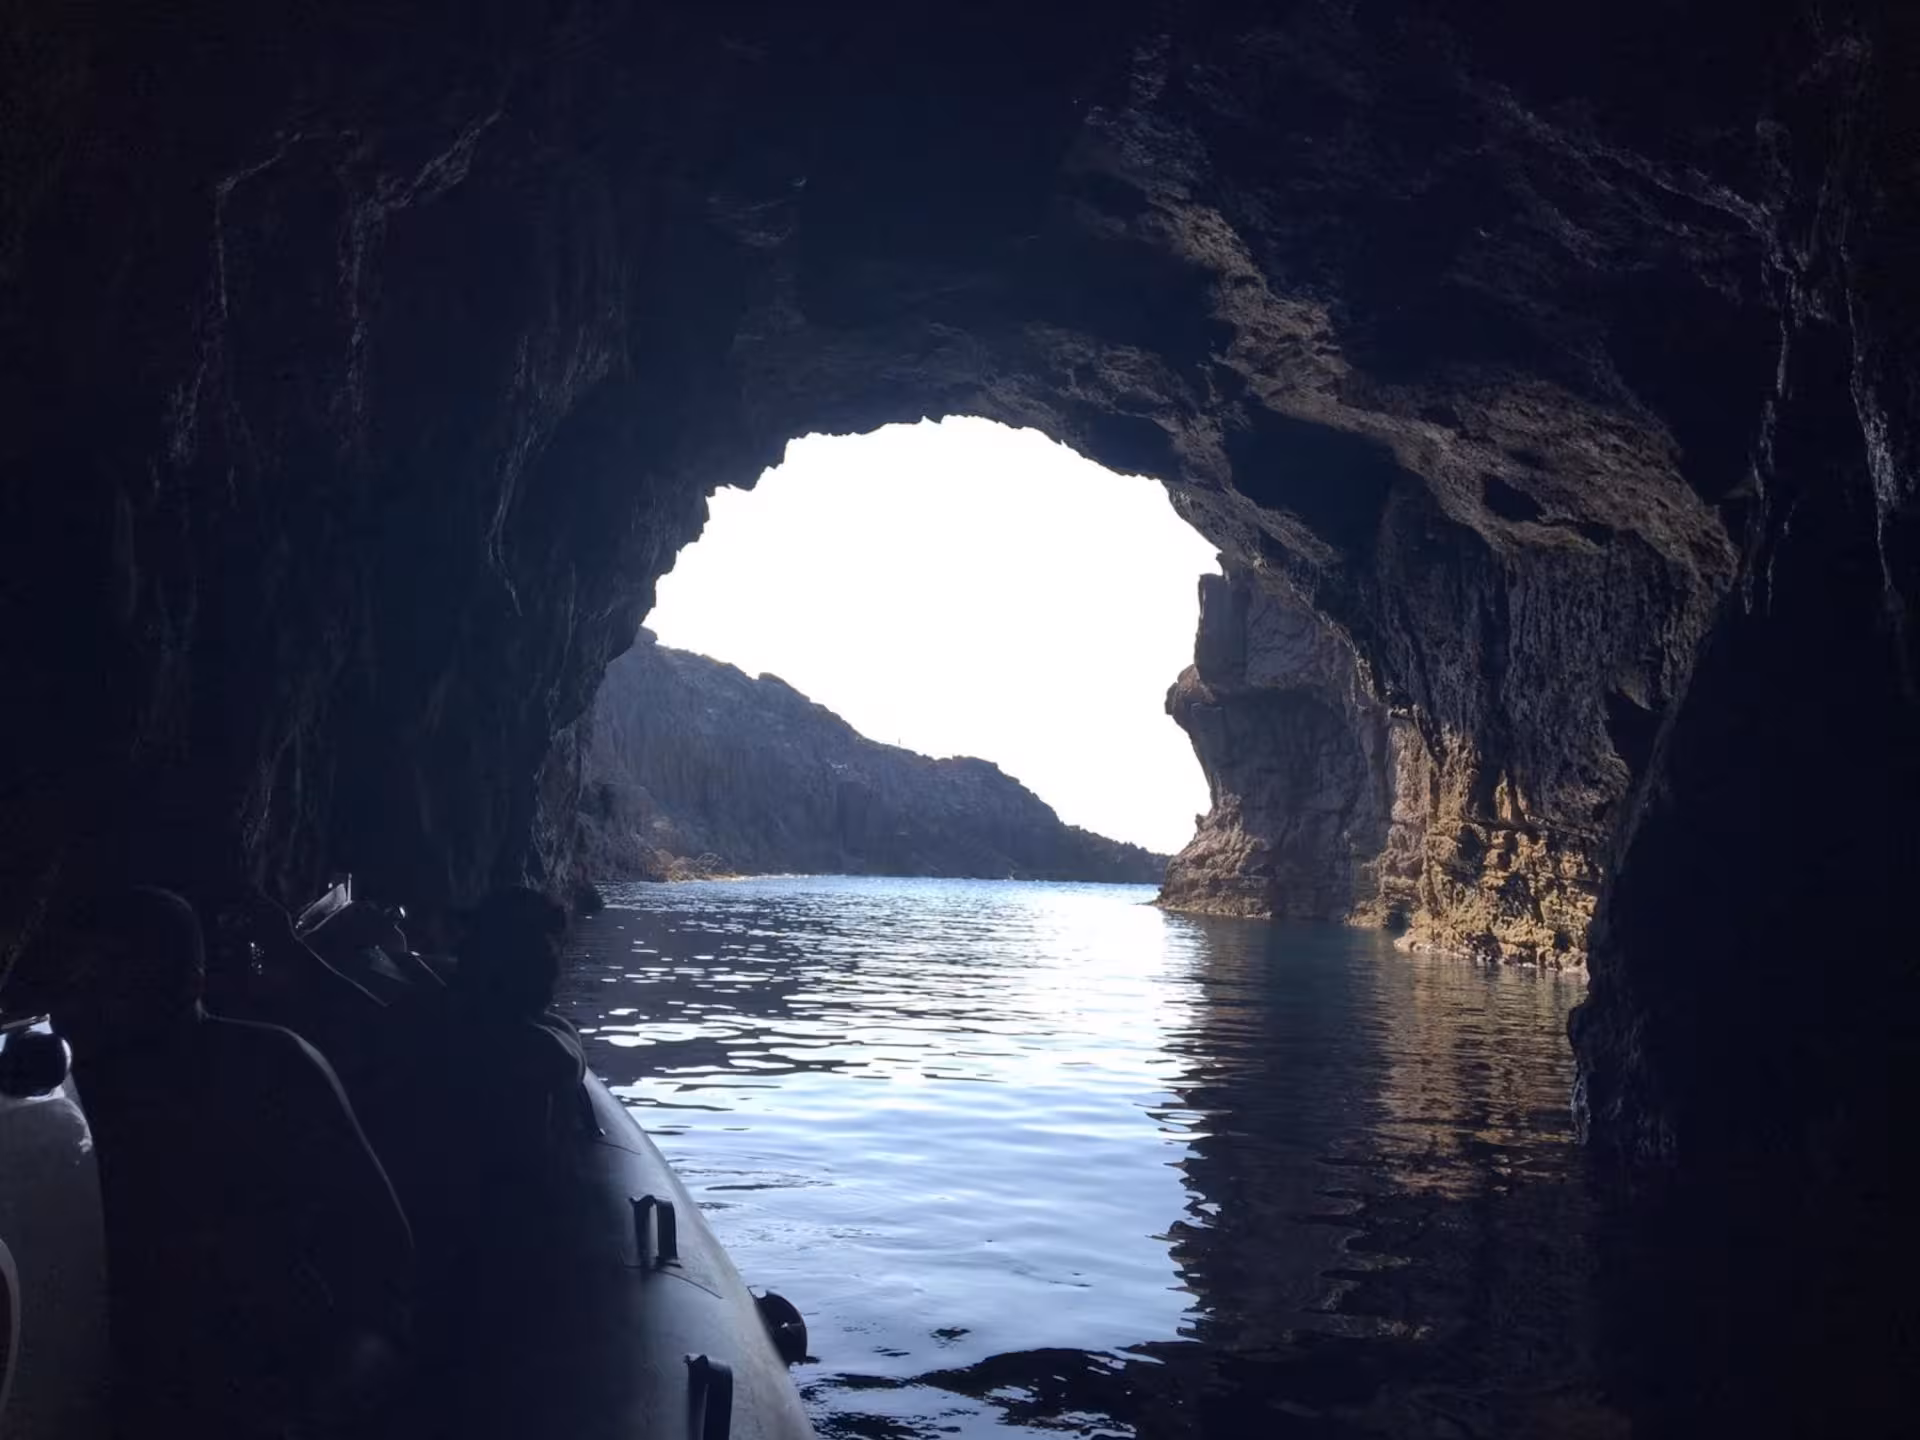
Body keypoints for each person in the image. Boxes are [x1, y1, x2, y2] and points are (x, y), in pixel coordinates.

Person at [29, 887, 414, 1438]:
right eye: (86, 986)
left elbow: (382, 1263)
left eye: (118, 986)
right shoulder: (71, 1095)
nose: (91, 1005)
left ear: (188, 984)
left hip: (259, 1380)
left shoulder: (271, 1071)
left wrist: (320, 1407)